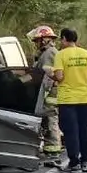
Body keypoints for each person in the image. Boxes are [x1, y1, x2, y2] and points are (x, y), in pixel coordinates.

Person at [52, 28, 87, 173]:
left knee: (71, 131)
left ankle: (74, 163)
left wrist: (50, 74)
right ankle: (85, 162)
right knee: (86, 130)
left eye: (61, 39)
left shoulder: (60, 55)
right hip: (84, 98)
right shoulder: (86, 54)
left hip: (67, 100)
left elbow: (59, 77)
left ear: (65, 39)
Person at [26, 25, 62, 159]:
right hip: (49, 92)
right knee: (49, 120)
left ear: (44, 40)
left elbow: (47, 74)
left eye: (37, 41)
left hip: (50, 93)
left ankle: (53, 150)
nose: (36, 44)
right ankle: (51, 147)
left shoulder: (49, 53)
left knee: (50, 119)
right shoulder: (46, 53)